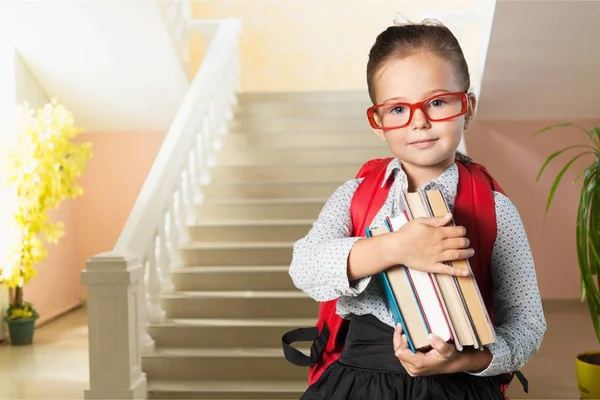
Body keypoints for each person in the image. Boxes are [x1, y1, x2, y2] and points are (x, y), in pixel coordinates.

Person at [288, 13, 547, 400]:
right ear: (377, 122)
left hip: (458, 383)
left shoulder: (495, 210)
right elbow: (304, 267)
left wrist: (467, 361)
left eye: (438, 102)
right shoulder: (356, 195)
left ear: (468, 107)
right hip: (357, 382)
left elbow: (528, 322)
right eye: (397, 109)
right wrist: (396, 247)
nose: (419, 122)